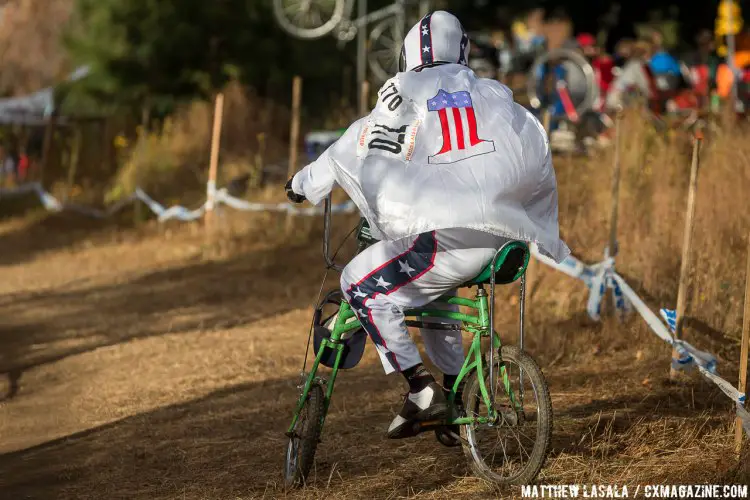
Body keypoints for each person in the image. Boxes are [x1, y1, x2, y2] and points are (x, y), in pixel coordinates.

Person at [285, 11, 569, 442]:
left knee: (357, 282)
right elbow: (532, 147)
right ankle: (456, 398)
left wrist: (300, 185)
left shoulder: (401, 92)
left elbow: (356, 143)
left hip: (445, 241)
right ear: (463, 49)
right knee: (438, 305)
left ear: (407, 54)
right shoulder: (494, 95)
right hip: (505, 241)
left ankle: (420, 389)